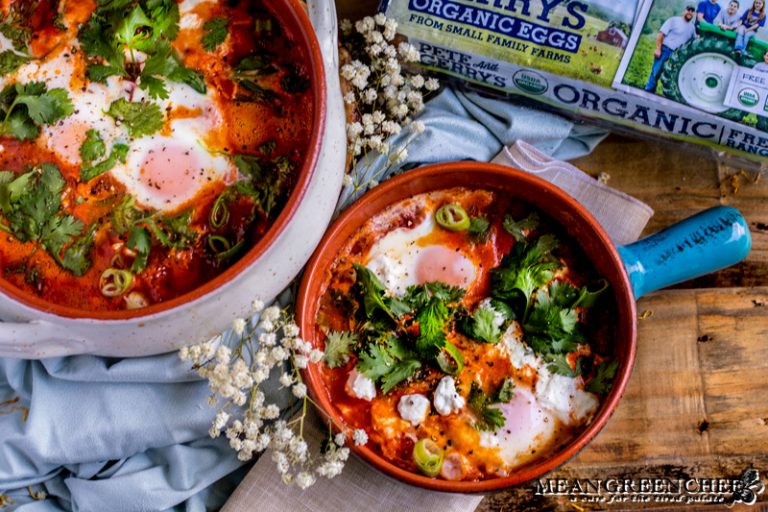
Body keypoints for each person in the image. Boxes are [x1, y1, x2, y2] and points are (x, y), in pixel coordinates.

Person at [645, 5, 697, 92]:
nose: (690, 12)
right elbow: (661, 34)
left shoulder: (692, 28)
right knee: (656, 71)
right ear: (684, 11)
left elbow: (695, 40)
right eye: (688, 10)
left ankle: (662, 92)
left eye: (692, 11)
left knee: (672, 76)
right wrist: (658, 49)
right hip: (666, 50)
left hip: (678, 55)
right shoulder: (673, 20)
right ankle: (648, 90)